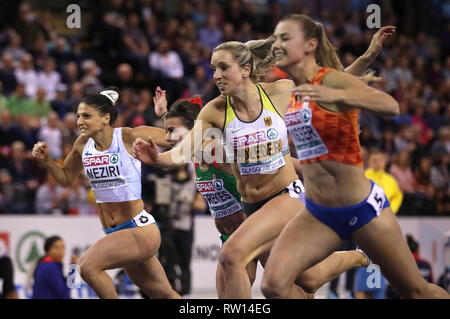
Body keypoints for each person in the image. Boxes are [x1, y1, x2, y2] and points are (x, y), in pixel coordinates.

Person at [133, 31, 384, 297]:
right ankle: (360, 256)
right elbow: (187, 149)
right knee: (305, 281)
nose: (216, 75)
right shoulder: (215, 111)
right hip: (253, 208)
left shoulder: (281, 92)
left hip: (287, 196)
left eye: (223, 67)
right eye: (213, 69)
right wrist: (158, 158)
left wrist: (368, 56)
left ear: (246, 69)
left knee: (231, 256)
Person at [259, 13, 449, 299]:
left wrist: (338, 98)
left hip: (361, 209)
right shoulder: (299, 92)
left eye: (285, 37)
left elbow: (390, 105)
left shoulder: (331, 82)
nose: (277, 44)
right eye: (276, 38)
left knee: (416, 291)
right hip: (318, 212)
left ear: (310, 45)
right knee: (272, 285)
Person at [32, 87, 180, 299]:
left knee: (86, 266)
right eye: (78, 116)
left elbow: (175, 136)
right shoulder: (83, 144)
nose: (79, 121)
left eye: (86, 116)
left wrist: (165, 115)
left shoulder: (128, 136)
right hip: (116, 233)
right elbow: (65, 178)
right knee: (165, 295)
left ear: (105, 118)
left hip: (139, 229)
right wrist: (47, 160)